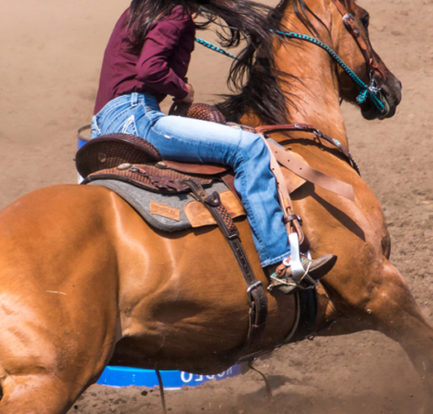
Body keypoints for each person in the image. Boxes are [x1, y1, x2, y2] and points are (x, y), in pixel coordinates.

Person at [91, 0, 336, 285]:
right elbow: (150, 69)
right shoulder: (174, 10)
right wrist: (182, 91)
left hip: (104, 125)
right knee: (250, 148)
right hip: (137, 116)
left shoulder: (143, 10)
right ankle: (281, 260)